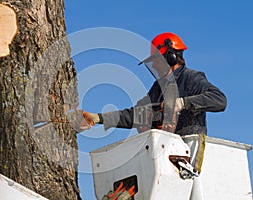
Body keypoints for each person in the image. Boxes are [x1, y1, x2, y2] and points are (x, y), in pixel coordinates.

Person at [81, 32, 227, 173]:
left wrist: (182, 103)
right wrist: (98, 118)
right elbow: (135, 115)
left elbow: (219, 100)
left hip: (190, 153)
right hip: (166, 155)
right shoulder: (158, 88)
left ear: (171, 57)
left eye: (156, 61)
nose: (155, 66)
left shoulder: (191, 78)